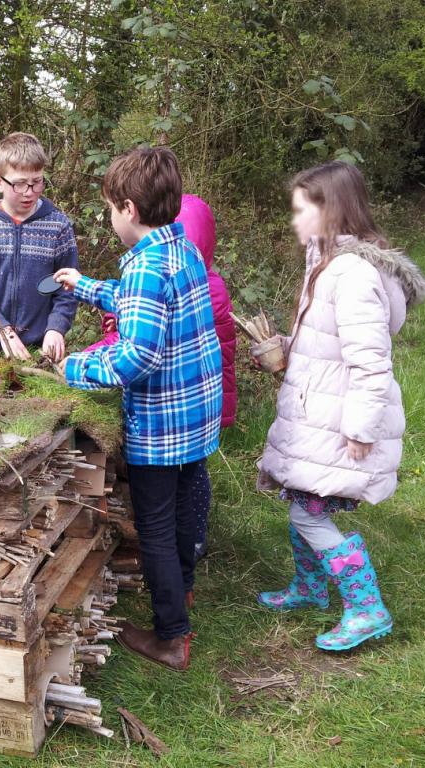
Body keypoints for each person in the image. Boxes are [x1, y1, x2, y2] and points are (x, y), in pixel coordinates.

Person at [54, 147, 223, 672]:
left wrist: (75, 369)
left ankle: (171, 636)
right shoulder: (182, 249)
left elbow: (138, 356)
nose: (109, 220)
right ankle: (183, 594)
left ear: (128, 208)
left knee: (155, 527)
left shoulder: (148, 267)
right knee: (182, 512)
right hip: (197, 417)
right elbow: (139, 301)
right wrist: (82, 287)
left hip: (161, 425)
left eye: (109, 209)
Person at [255, 161, 425, 652]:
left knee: (311, 514)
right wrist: (288, 347)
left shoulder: (352, 274)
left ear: (330, 211)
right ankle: (311, 589)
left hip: (339, 421)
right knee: (301, 504)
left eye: (300, 211)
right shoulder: (326, 262)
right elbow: (328, 342)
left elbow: (370, 364)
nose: (294, 222)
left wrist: (360, 428)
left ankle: (367, 607)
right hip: (319, 412)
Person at [0, 132, 78, 361]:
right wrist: (2, 330)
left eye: (37, 182)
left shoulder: (58, 225)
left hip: (44, 349)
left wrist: (56, 328)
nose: (29, 192)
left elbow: (68, 288)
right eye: (20, 184)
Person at [176, 194, 238, 569]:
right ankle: (189, 534)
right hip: (202, 398)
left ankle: (195, 536)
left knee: (193, 473)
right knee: (191, 471)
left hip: (194, 399)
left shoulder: (203, 288)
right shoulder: (209, 282)